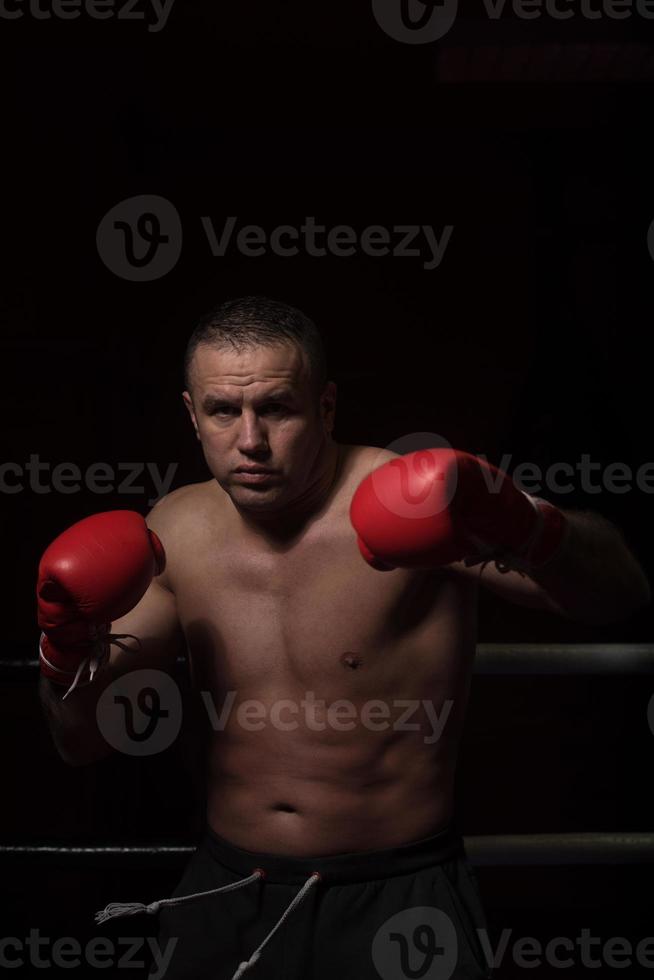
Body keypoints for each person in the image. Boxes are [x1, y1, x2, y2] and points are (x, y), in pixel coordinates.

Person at [38, 296, 651, 980]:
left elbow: (620, 596)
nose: (250, 441)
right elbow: (80, 740)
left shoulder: (414, 502)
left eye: (276, 408)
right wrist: (62, 648)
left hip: (397, 892)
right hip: (231, 885)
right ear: (192, 414)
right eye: (222, 412)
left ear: (325, 407)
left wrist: (528, 524)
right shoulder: (174, 532)